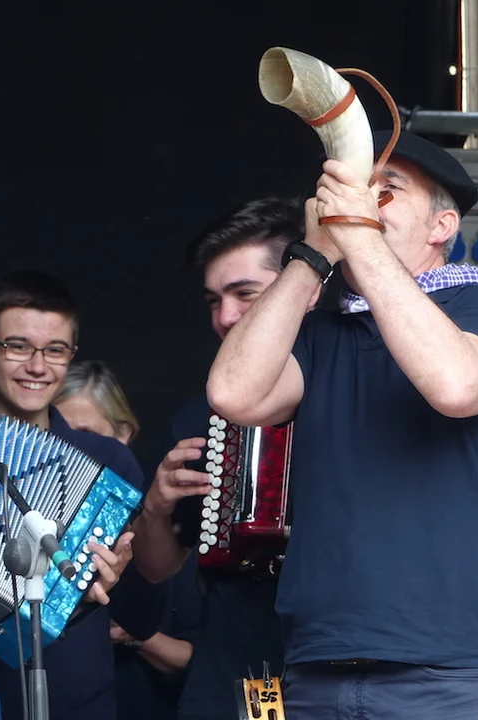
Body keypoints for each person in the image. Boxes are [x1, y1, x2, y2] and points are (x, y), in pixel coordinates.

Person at [205, 131, 478, 718]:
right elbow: (234, 395)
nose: (360, 198)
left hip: (446, 670)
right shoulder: (324, 333)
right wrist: (313, 253)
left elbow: (456, 386)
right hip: (314, 665)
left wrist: (358, 230)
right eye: (351, 187)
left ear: (441, 226)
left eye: (387, 189)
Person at [132, 198, 305, 720]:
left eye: (245, 294)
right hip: (232, 665)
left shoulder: (352, 395)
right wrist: (156, 507)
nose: (225, 316)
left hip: (335, 667)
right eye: (214, 299)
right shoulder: (200, 416)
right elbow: (157, 568)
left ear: (303, 288)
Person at [0, 270, 160, 720]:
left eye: (55, 350)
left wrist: (118, 577)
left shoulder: (109, 461)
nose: (38, 367)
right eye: (18, 346)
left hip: (78, 701)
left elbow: (145, 617)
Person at [55, 360, 202, 720]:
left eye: (86, 434)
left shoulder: (162, 528)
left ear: (123, 435)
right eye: (59, 436)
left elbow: (203, 660)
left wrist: (133, 636)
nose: (73, 448)